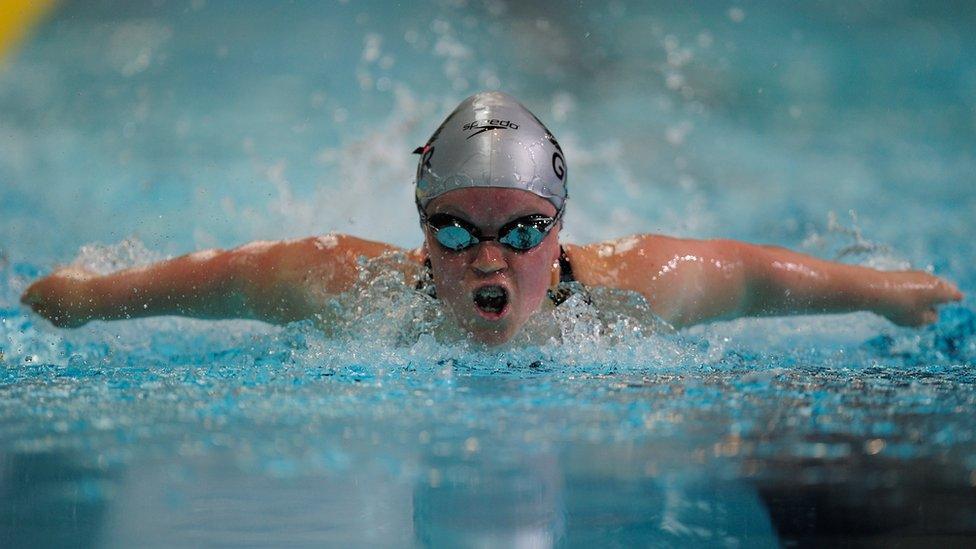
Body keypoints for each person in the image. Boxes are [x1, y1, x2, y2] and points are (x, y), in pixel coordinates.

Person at [20, 92, 963, 346]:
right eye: (455, 228)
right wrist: (91, 297)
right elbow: (216, 278)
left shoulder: (635, 289)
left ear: (558, 229)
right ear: (419, 226)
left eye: (520, 231)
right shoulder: (342, 284)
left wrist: (883, 293)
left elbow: (756, 275)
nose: (488, 255)